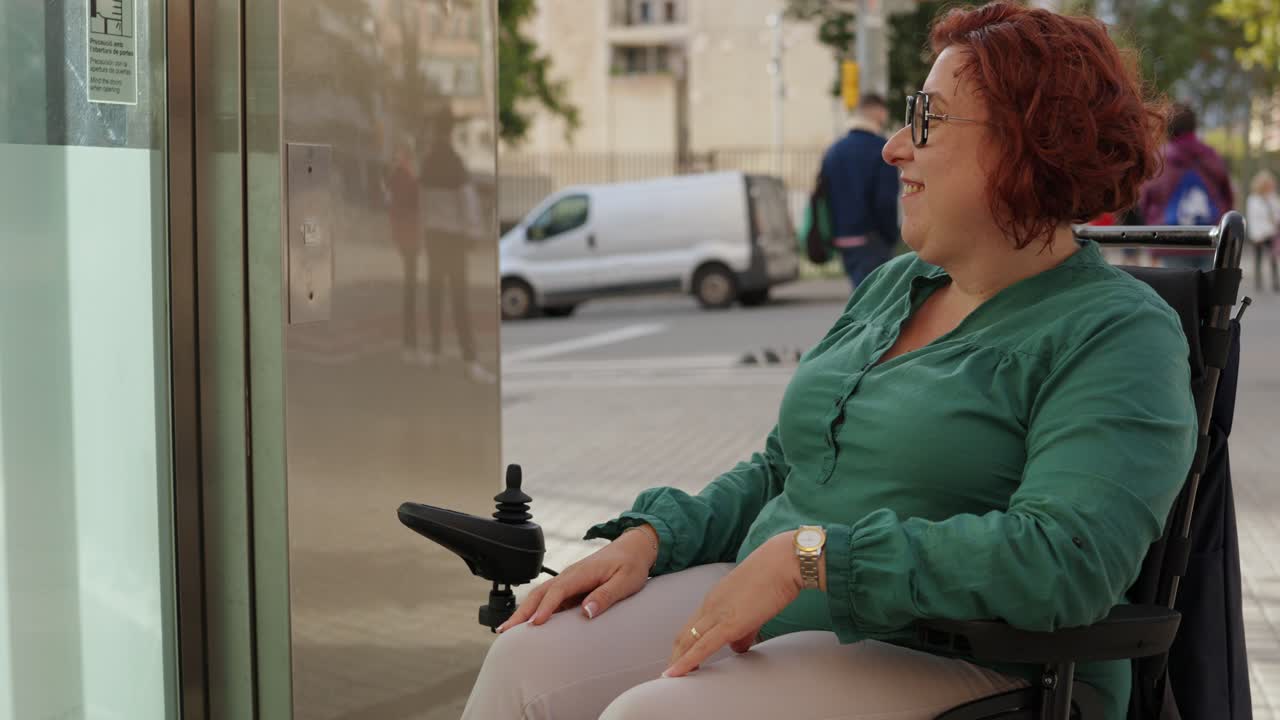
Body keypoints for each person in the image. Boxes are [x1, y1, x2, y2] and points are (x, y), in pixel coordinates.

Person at [462, 4, 1196, 719]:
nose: (894, 148)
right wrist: (654, 538)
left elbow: (1067, 560)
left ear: (1029, 145)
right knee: (527, 659)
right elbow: (785, 469)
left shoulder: (1118, 333)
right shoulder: (896, 285)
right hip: (783, 607)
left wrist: (812, 558)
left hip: (963, 653)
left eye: (928, 119)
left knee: (654, 715)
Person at [819, 93, 901, 289]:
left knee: (860, 295)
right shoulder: (882, 149)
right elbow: (885, 201)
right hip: (872, 239)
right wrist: (891, 235)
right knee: (876, 299)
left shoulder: (834, 150)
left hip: (842, 238)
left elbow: (823, 195)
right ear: (879, 112)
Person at [1138, 102, 1234, 270]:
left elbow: (1145, 200)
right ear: (1194, 126)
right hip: (1210, 238)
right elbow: (1227, 196)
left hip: (1172, 241)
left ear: (1167, 128)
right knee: (1211, 286)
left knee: (1176, 287)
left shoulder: (1160, 160)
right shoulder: (1211, 156)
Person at [1245, 169, 1280, 291]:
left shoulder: (1273, 198)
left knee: (1273, 257)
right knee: (1258, 258)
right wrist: (1255, 235)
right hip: (1258, 234)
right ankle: (1258, 282)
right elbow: (1252, 218)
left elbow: (1277, 214)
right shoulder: (1253, 199)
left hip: (1271, 232)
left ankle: (1275, 282)